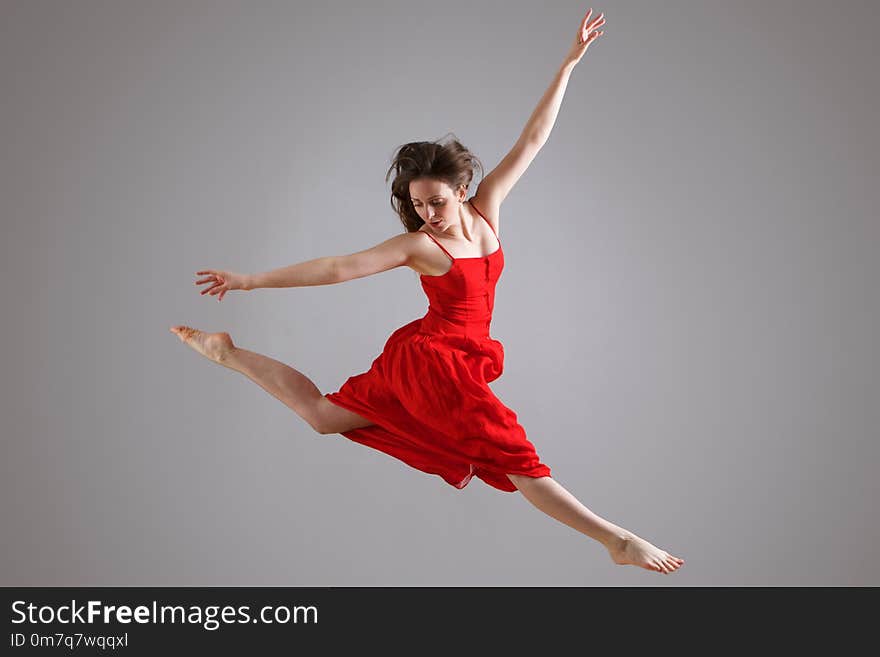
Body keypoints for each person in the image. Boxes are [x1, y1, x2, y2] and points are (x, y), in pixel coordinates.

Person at [171, 9, 684, 574]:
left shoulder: (487, 212)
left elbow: (533, 140)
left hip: (462, 355)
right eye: (417, 204)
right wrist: (248, 280)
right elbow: (340, 268)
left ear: (462, 190)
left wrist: (568, 64)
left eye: (436, 202)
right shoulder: (421, 246)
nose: (427, 214)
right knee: (516, 457)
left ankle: (227, 352)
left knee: (322, 417)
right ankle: (616, 541)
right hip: (433, 363)